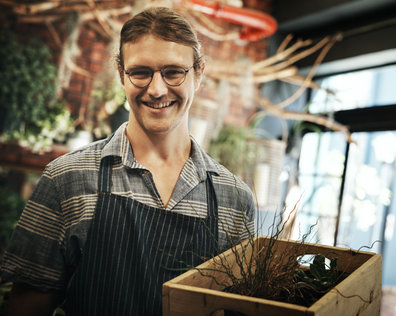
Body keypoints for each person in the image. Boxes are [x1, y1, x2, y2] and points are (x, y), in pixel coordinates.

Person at [0, 7, 255, 315]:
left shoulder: (234, 199)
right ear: (121, 74)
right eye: (140, 72)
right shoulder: (66, 178)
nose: (157, 89)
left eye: (173, 72)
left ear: (199, 73)